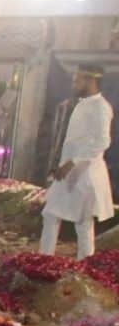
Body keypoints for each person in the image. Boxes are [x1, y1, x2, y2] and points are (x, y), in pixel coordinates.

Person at [41, 65, 112, 261]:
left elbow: (102, 142)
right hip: (69, 171)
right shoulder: (81, 104)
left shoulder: (101, 107)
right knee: (50, 213)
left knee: (83, 223)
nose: (74, 84)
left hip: (86, 174)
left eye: (77, 79)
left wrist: (72, 163)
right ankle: (44, 260)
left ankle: (84, 267)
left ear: (90, 80)